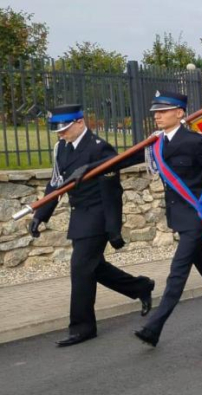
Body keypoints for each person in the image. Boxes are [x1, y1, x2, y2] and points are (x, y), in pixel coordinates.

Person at [29, 104, 154, 347]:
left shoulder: (100, 148)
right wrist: (41, 214)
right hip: (79, 216)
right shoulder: (60, 148)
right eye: (57, 130)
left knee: (80, 267)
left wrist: (113, 228)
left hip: (98, 216)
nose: (59, 133)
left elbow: (112, 191)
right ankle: (141, 286)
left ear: (79, 122)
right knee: (94, 267)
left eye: (64, 129)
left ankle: (82, 326)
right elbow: (56, 184)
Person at [133, 91, 202, 347]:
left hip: (196, 216)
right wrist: (91, 170)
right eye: (155, 112)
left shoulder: (196, 142)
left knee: (178, 271)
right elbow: (126, 158)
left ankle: (154, 326)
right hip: (178, 216)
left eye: (163, 111)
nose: (157, 116)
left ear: (180, 113)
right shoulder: (157, 143)